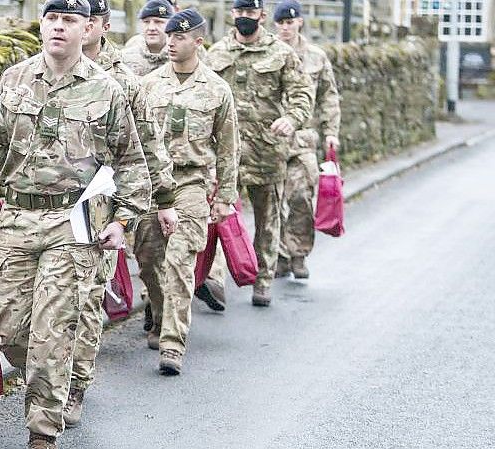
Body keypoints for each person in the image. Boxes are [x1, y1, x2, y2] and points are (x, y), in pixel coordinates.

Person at [0, 0, 152, 446]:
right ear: (42, 25)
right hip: (18, 220)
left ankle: (42, 431)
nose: (59, 27)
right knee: (10, 327)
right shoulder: (14, 81)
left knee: (52, 329)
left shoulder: (107, 90)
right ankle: (55, 377)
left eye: (70, 21)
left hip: (73, 224)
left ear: (88, 30)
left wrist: (123, 220)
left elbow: (133, 165)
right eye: (53, 19)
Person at [64, 0, 177, 428]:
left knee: (90, 296)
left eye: (90, 18)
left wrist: (163, 200)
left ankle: (74, 387)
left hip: (105, 206)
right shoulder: (44, 71)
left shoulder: (124, 80)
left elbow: (149, 145)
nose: (82, 25)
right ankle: (51, 374)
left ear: (102, 25)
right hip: (51, 207)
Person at [134, 8, 239, 375]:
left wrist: (225, 196)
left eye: (179, 37)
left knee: (180, 263)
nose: (171, 42)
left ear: (198, 41)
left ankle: (173, 343)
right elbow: (135, 140)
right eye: (169, 35)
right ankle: (161, 316)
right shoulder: (149, 85)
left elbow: (228, 148)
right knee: (148, 260)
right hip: (150, 184)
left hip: (192, 183)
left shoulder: (216, 89)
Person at [207, 0, 312, 307]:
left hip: (267, 152)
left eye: (250, 13)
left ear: (261, 16)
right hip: (224, 156)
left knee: (267, 220)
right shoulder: (216, 54)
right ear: (232, 15)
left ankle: (263, 280)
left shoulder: (281, 53)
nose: (244, 18)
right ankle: (213, 279)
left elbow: (302, 94)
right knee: (214, 217)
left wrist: (291, 119)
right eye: (239, 13)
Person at [273, 0, 341, 279]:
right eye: (281, 23)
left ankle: (298, 252)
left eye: (290, 22)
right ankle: (277, 255)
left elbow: (328, 95)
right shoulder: (268, 53)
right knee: (272, 202)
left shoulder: (316, 57)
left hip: (303, 140)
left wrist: (331, 132)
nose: (285, 28)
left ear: (300, 21)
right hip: (271, 139)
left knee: (301, 196)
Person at [122, 0, 176, 76]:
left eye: (158, 22)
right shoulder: (125, 57)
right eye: (146, 22)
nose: (151, 28)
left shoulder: (181, 56)